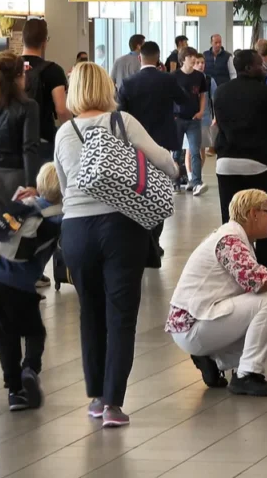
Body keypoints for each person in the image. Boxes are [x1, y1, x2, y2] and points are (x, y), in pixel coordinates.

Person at [53, 62, 179, 428]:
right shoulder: (122, 123)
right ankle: (113, 404)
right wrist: (172, 167)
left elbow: (62, 186)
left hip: (76, 230)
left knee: (89, 312)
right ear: (107, 87)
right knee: (121, 315)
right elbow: (162, 161)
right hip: (121, 227)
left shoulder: (65, 133)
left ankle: (94, 396)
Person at [167, 188, 267, 396]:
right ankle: (247, 375)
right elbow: (259, 280)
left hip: (204, 320)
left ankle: (214, 362)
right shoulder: (230, 240)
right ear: (253, 214)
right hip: (191, 325)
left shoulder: (236, 238)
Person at [0, 162, 61, 412]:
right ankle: (29, 368)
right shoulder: (58, 219)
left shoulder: (23, 204)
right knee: (35, 333)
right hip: (21, 287)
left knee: (4, 337)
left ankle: (15, 391)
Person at [0, 52, 43, 313]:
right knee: (17, 233)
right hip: (16, 177)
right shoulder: (29, 107)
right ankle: (13, 287)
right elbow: (30, 148)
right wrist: (31, 184)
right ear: (17, 77)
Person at [118, 41, 192, 260]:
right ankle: (154, 242)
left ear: (140, 58)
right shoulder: (167, 80)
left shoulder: (128, 83)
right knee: (159, 193)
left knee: (138, 192)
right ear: (158, 58)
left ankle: (139, 240)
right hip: (161, 145)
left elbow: (120, 114)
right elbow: (184, 101)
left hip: (135, 147)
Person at [212, 50, 267, 228]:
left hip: (225, 163)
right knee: (264, 219)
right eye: (259, 65)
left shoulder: (220, 92)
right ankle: (263, 255)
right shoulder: (266, 92)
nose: (263, 68)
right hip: (257, 164)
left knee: (231, 219)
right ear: (247, 68)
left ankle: (233, 253)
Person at [21, 18, 72, 162]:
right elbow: (61, 110)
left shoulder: (8, 67)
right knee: (44, 183)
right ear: (45, 42)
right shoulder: (53, 70)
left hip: (13, 140)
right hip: (42, 139)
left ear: (22, 39)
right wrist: (72, 132)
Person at [172, 48, 209, 196]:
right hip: (178, 118)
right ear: (183, 59)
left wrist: (201, 111)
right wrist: (171, 114)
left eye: (194, 56)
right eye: (190, 56)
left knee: (195, 151)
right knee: (176, 152)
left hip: (194, 119)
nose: (193, 59)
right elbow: (168, 96)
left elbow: (202, 95)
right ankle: (174, 181)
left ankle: (196, 182)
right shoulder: (174, 76)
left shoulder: (199, 76)